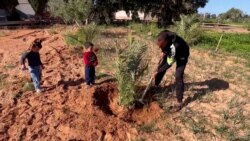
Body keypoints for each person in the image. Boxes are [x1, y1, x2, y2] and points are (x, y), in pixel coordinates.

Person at [154, 30, 190, 111]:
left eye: (162, 46)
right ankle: (156, 86)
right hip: (171, 51)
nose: (160, 48)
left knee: (178, 76)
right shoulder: (164, 34)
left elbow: (169, 63)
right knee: (160, 67)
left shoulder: (175, 46)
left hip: (182, 54)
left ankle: (179, 102)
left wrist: (157, 71)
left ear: (166, 42)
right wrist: (164, 52)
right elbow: (165, 49)